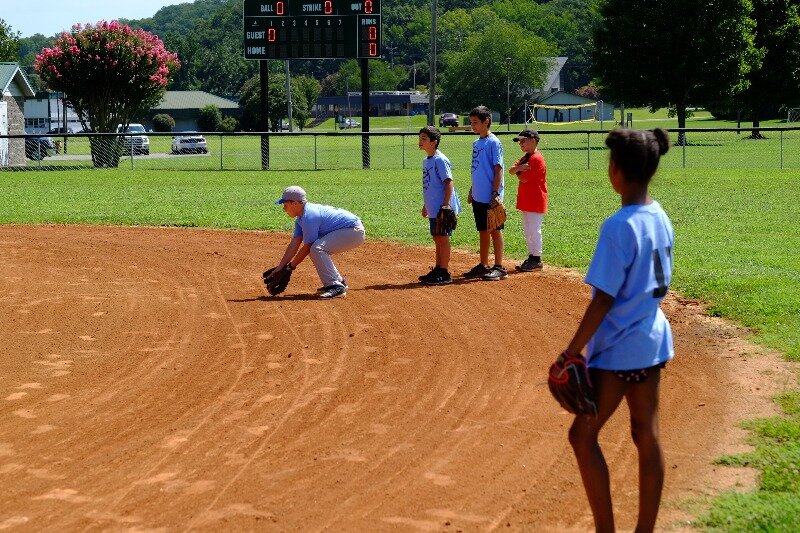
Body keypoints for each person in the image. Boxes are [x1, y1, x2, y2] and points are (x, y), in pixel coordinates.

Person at [562, 128, 673, 533]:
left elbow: (603, 299)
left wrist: (571, 352)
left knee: (582, 437)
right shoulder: (659, 215)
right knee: (647, 434)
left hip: (620, 348)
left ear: (617, 171)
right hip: (653, 340)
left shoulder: (618, 225)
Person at [267, 185, 365, 299]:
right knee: (317, 248)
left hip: (354, 231)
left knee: (317, 248)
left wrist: (290, 268)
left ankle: (335, 287)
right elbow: (295, 243)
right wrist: (281, 267)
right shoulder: (301, 218)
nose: (284, 209)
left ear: (295, 203)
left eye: (285, 205)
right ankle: (339, 282)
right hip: (348, 231)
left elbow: (308, 246)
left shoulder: (309, 216)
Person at [463, 105, 506, 281]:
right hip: (479, 195)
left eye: (475, 122)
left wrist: (495, 193)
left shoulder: (494, 142)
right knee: (483, 230)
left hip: (491, 195)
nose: (472, 126)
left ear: (486, 122)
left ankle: (499, 267)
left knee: (495, 229)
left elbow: (498, 169)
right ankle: (483, 264)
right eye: (471, 122)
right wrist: (473, 189)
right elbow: (477, 169)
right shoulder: (476, 143)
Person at [417, 126, 462, 285]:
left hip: (442, 207)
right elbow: (430, 185)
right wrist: (426, 205)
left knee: (443, 238)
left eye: (424, 138)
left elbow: (448, 182)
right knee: (437, 237)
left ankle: (444, 272)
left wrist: (445, 205)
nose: (420, 141)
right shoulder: (426, 160)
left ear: (434, 142)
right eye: (420, 138)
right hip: (433, 207)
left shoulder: (440, 159)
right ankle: (438, 268)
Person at [509, 129, 547, 271]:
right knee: (528, 230)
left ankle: (537, 259)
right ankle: (532, 257)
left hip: (535, 199)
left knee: (534, 230)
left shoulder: (536, 158)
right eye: (520, 141)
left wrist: (518, 171)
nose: (521, 143)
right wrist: (520, 168)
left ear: (533, 141)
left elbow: (523, 178)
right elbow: (511, 170)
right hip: (526, 199)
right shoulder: (525, 157)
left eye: (523, 141)